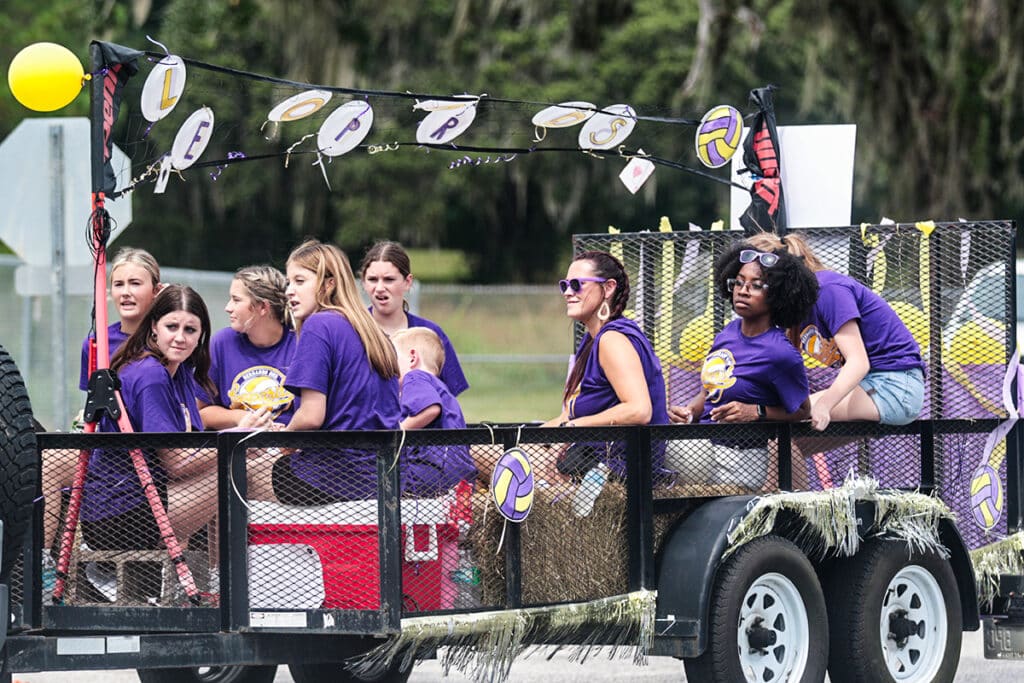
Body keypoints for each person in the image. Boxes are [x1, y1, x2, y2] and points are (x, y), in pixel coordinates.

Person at [79, 285, 269, 555]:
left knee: (244, 462)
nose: (180, 338)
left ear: (201, 334)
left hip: (149, 497)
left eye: (190, 330)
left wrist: (241, 440)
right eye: (172, 327)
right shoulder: (150, 375)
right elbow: (177, 463)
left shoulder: (178, 371)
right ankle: (230, 579)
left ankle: (229, 573)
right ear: (154, 326)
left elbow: (189, 451)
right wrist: (238, 438)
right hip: (120, 517)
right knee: (239, 468)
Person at [248, 239, 401, 505]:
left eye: (300, 281)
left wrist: (283, 440)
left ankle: (218, 549)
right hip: (384, 475)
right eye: (288, 282)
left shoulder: (319, 325)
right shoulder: (372, 330)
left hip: (331, 478)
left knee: (232, 472)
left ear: (329, 284)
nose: (289, 291)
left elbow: (310, 416)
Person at [42, 248, 164, 567]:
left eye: (135, 283)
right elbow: (92, 407)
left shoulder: (169, 339)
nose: (125, 292)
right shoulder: (96, 344)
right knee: (50, 461)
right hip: (106, 452)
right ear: (107, 292)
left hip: (151, 453)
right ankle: (42, 565)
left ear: (156, 290)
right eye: (118, 284)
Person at [668, 243, 818, 489]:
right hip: (705, 446)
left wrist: (756, 412)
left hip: (740, 459)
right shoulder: (727, 333)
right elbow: (711, 391)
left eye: (756, 285)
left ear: (778, 294)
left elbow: (802, 411)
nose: (743, 291)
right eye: (738, 282)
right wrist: (690, 412)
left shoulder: (780, 352)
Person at [745, 231, 926, 431]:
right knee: (785, 442)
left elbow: (858, 362)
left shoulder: (828, 290)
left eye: (756, 283)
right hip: (869, 387)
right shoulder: (792, 310)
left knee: (786, 421)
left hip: (896, 386)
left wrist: (824, 405)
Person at [542, 250, 670, 477]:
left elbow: (639, 410)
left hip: (617, 470)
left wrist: (575, 427)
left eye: (577, 284)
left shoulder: (613, 340)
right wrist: (533, 439)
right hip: (588, 458)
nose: (568, 292)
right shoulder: (592, 339)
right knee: (495, 452)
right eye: (564, 285)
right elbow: (567, 417)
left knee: (492, 461)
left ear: (608, 288)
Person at [360, 240, 469, 396]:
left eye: (389, 279)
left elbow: (448, 398)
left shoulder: (430, 334)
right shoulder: (350, 330)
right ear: (363, 282)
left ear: (408, 282)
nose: (379, 288)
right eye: (372, 279)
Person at [199, 265, 297, 430]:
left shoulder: (299, 344)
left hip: (289, 451)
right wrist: (239, 418)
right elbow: (200, 413)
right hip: (236, 453)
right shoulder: (222, 343)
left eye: (236, 300)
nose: (228, 307)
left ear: (263, 307)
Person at [391, 327, 478, 496]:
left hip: (433, 473)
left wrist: (396, 433)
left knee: (380, 478)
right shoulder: (438, 386)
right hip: (460, 476)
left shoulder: (415, 377)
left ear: (412, 358)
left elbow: (430, 409)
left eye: (393, 359)